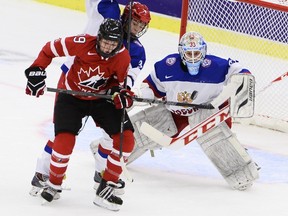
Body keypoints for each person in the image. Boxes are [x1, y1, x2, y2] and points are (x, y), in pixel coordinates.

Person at [29, 0, 151, 200]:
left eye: (141, 25)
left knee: (112, 134)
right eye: (134, 22)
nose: (136, 27)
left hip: (106, 90)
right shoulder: (108, 15)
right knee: (65, 132)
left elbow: (128, 76)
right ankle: (44, 171)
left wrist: (122, 90)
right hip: (73, 78)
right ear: (125, 17)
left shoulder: (136, 50)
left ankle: (103, 174)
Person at [125, 31, 259, 190]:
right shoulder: (167, 65)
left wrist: (241, 82)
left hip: (209, 109)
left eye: (197, 53)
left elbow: (241, 72)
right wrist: (140, 97)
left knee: (215, 135)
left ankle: (240, 168)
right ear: (181, 52)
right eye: (189, 53)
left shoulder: (216, 66)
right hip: (176, 111)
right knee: (147, 131)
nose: (193, 57)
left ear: (204, 52)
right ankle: (112, 153)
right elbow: (151, 87)